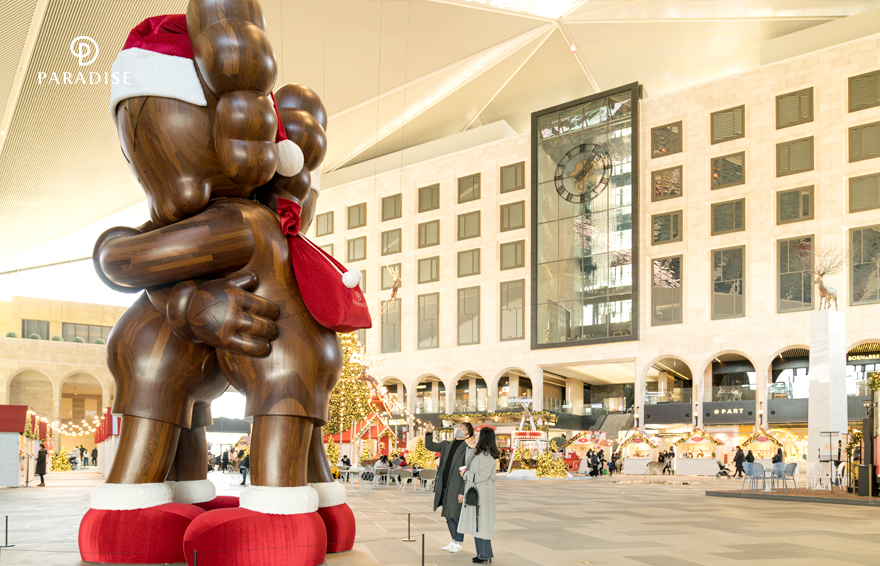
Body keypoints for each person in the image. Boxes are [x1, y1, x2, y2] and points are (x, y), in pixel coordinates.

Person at [424, 420, 474, 554]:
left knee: (455, 515)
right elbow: (430, 446)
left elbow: (466, 471)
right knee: (448, 514)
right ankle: (454, 540)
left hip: (456, 487)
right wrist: (429, 433)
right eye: (460, 427)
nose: (460, 429)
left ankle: (458, 541)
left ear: (467, 435)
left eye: (464, 429)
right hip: (444, 485)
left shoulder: (467, 449)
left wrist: (462, 491)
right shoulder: (446, 445)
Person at [458, 427, 498, 564]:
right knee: (477, 524)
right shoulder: (481, 453)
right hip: (477, 493)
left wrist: (466, 475)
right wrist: (470, 448)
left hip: (482, 495)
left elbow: (482, 476)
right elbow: (468, 463)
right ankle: (482, 553)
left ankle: (485, 554)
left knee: (482, 525)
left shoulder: (487, 456)